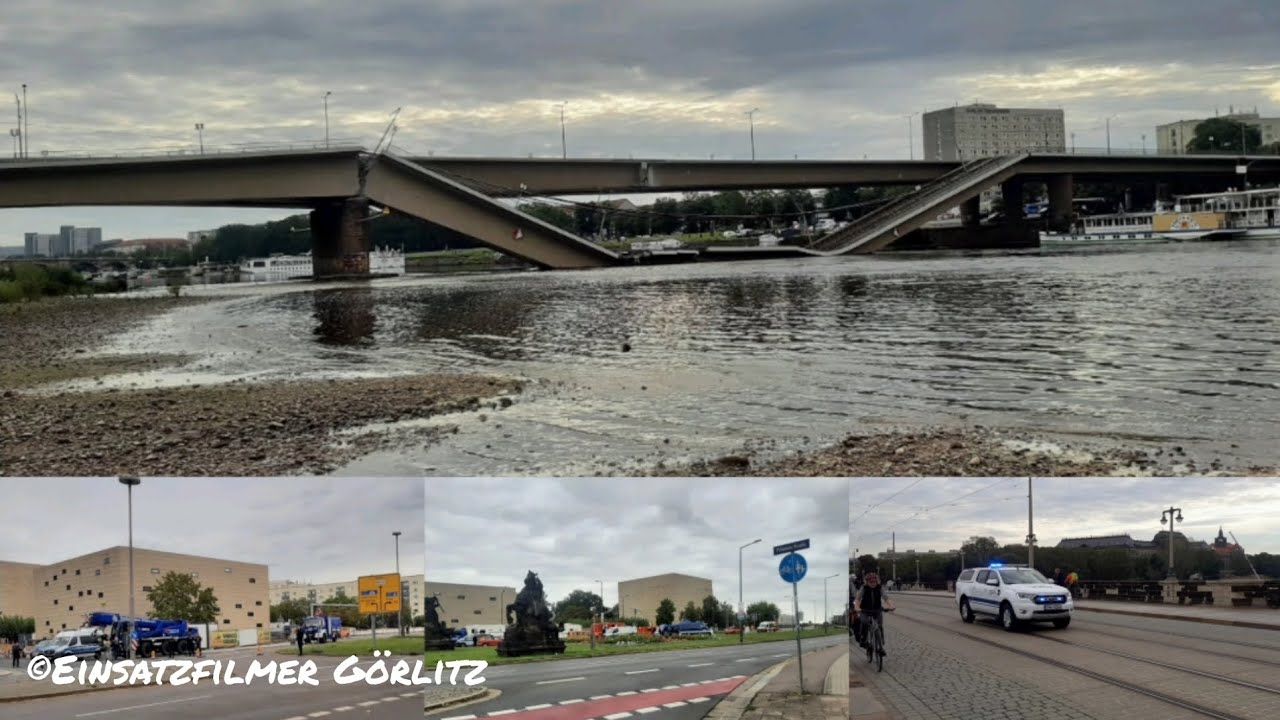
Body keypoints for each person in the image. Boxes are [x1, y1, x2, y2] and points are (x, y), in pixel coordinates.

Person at [854, 572, 894, 660]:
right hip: (865, 610)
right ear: (867, 582)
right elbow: (858, 599)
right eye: (871, 582)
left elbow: (886, 597)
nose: (873, 583)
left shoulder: (880, 588)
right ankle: (863, 640)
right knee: (864, 622)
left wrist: (891, 605)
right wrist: (857, 607)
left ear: (877, 581)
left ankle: (881, 645)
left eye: (874, 582)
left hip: (877, 609)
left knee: (879, 625)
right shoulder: (864, 588)